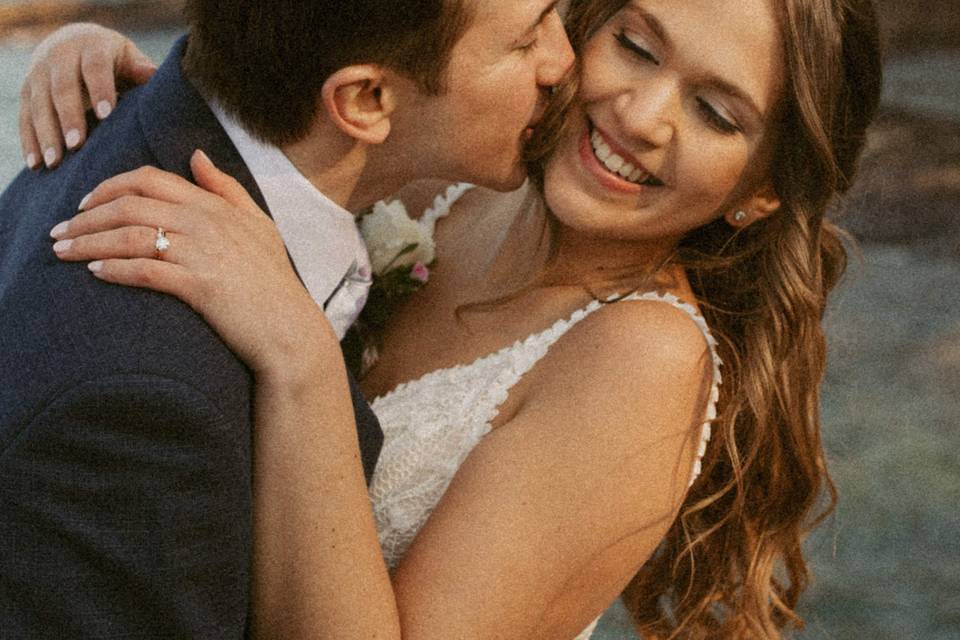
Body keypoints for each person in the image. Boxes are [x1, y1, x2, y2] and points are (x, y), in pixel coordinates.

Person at [19, 0, 883, 636]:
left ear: (761, 191)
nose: (641, 115)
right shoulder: (457, 178)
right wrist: (129, 78)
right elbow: (318, 103)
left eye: (714, 112)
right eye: (635, 46)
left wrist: (303, 359)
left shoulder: (640, 360)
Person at [0, 1, 574, 637]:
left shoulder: (158, 119)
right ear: (366, 99)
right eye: (528, 40)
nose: (564, 60)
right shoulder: (147, 401)